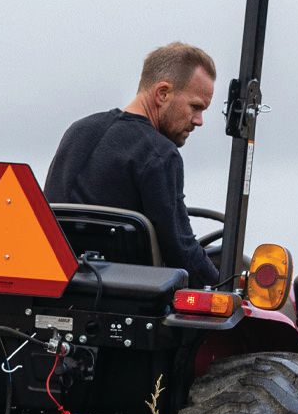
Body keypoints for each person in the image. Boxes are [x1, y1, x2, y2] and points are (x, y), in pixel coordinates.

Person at [44, 42, 219, 284]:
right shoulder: (159, 154)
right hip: (127, 301)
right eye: (196, 107)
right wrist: (223, 288)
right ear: (162, 94)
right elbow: (180, 250)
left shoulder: (77, 131)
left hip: (55, 287)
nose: (199, 121)